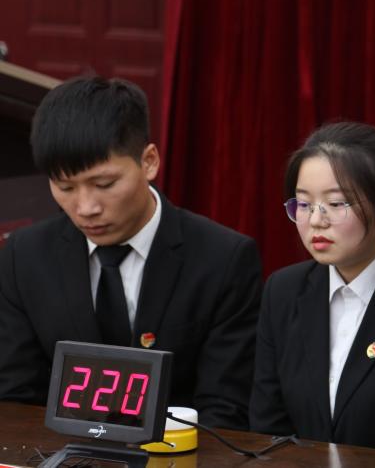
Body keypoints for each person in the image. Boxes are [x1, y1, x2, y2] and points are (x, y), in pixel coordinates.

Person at [0, 75, 261, 429]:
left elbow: (226, 411)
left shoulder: (223, 259)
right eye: (65, 187)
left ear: (149, 161)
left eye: (104, 184)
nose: (86, 208)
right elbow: (15, 399)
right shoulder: (24, 256)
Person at [249, 122, 375, 450]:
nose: (316, 220)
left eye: (336, 204)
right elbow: (268, 427)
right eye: (303, 204)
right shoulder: (284, 291)